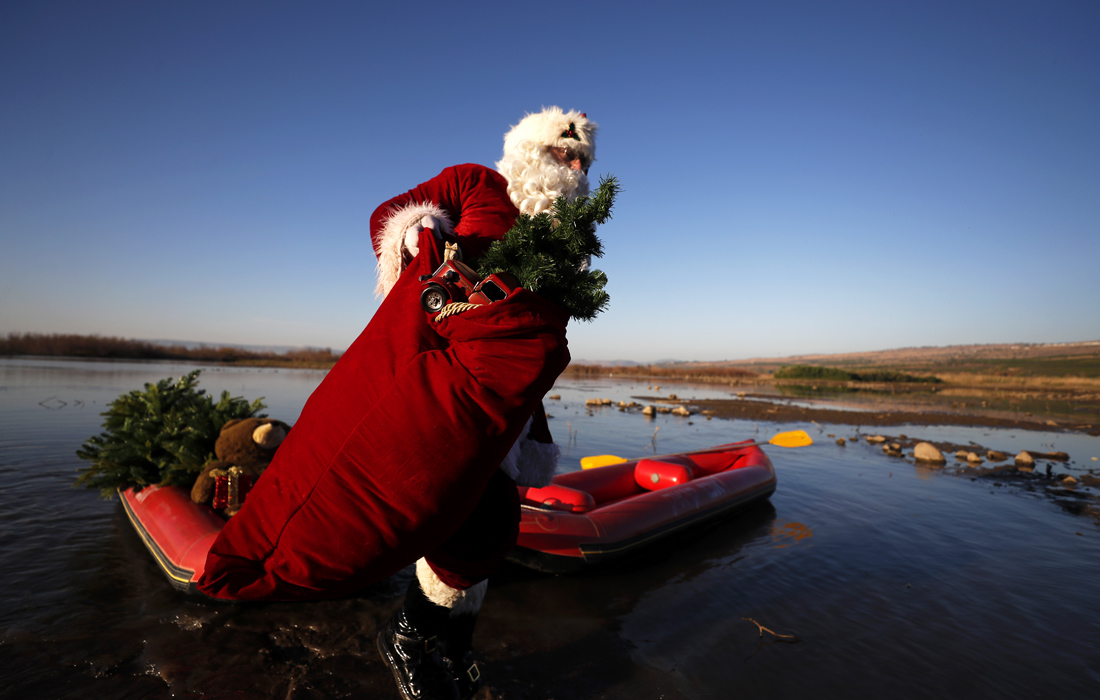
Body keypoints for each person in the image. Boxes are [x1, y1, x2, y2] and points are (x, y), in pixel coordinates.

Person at [369, 107, 597, 700]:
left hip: (513, 398)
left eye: (582, 161)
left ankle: (455, 643)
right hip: (448, 374)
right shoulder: (474, 182)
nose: (573, 167)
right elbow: (386, 216)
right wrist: (417, 232)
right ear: (531, 149)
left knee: (491, 524)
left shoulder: (562, 236)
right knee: (478, 516)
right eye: (563, 153)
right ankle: (406, 636)